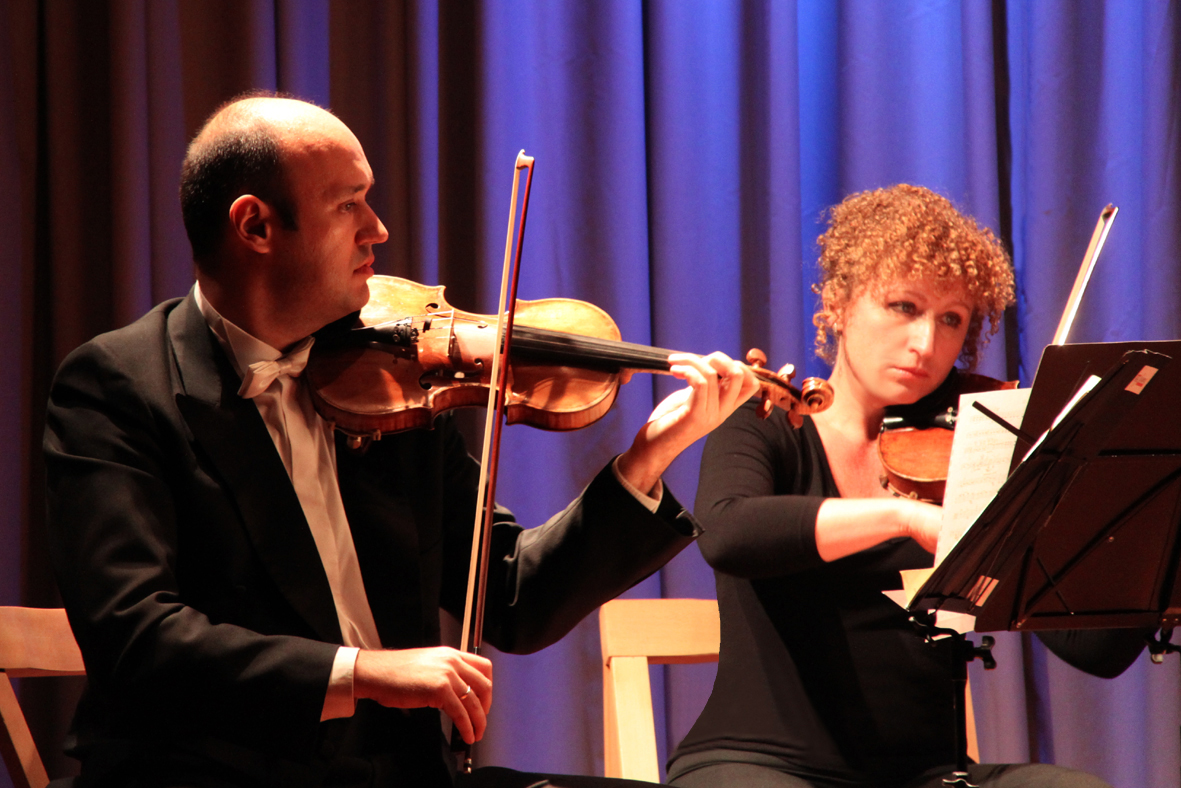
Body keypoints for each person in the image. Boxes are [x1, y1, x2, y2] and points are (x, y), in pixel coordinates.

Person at [43, 94, 760, 788]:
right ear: (255, 226)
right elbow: (135, 636)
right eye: (348, 204)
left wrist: (646, 460)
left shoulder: (391, 375)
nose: (378, 229)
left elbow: (512, 594)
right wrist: (364, 672)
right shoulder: (118, 386)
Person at [666, 185, 1145, 788]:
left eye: (951, 320)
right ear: (838, 304)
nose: (926, 344)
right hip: (760, 764)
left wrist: (1126, 530)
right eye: (903, 306)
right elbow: (728, 532)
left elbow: (1094, 652)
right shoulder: (765, 421)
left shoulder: (978, 442)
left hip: (927, 774)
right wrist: (905, 517)